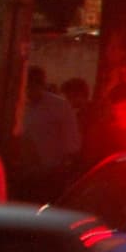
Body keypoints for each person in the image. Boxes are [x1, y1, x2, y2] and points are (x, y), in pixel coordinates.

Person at [18, 66, 83, 202]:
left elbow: (72, 142)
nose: (30, 91)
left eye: (33, 86)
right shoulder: (19, 104)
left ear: (41, 85)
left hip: (51, 174)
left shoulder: (59, 106)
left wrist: (62, 167)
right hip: (24, 173)